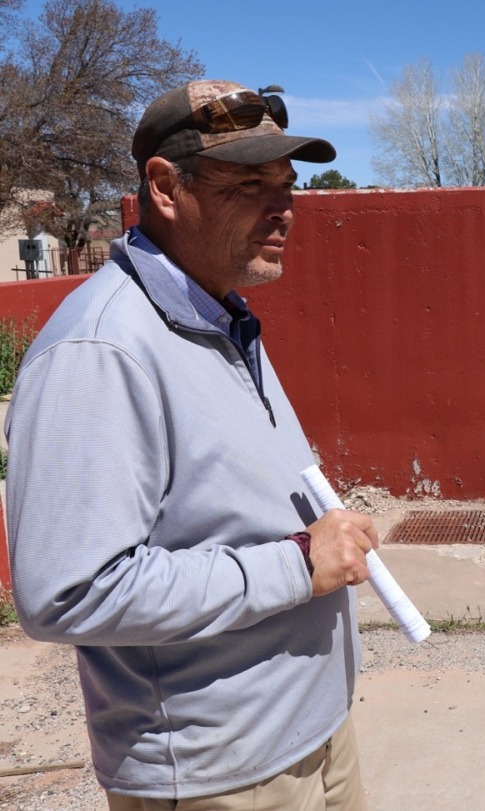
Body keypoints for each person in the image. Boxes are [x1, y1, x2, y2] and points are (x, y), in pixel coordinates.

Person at [5, 80, 379, 809]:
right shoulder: (102, 348)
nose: (284, 209)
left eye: (286, 185)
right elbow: (66, 592)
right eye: (250, 184)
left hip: (311, 734)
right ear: (166, 187)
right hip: (222, 774)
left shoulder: (219, 313)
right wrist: (299, 562)